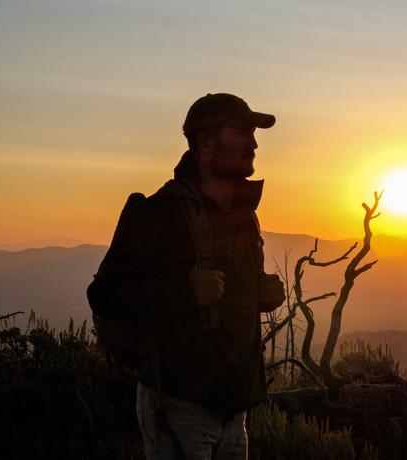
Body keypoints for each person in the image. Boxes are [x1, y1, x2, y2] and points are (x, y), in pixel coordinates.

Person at [87, 93, 286, 459]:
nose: (254, 142)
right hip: (178, 405)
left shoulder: (242, 216)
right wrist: (185, 293)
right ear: (206, 142)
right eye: (243, 131)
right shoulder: (160, 212)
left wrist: (263, 293)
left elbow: (230, 295)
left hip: (233, 408)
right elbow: (105, 294)